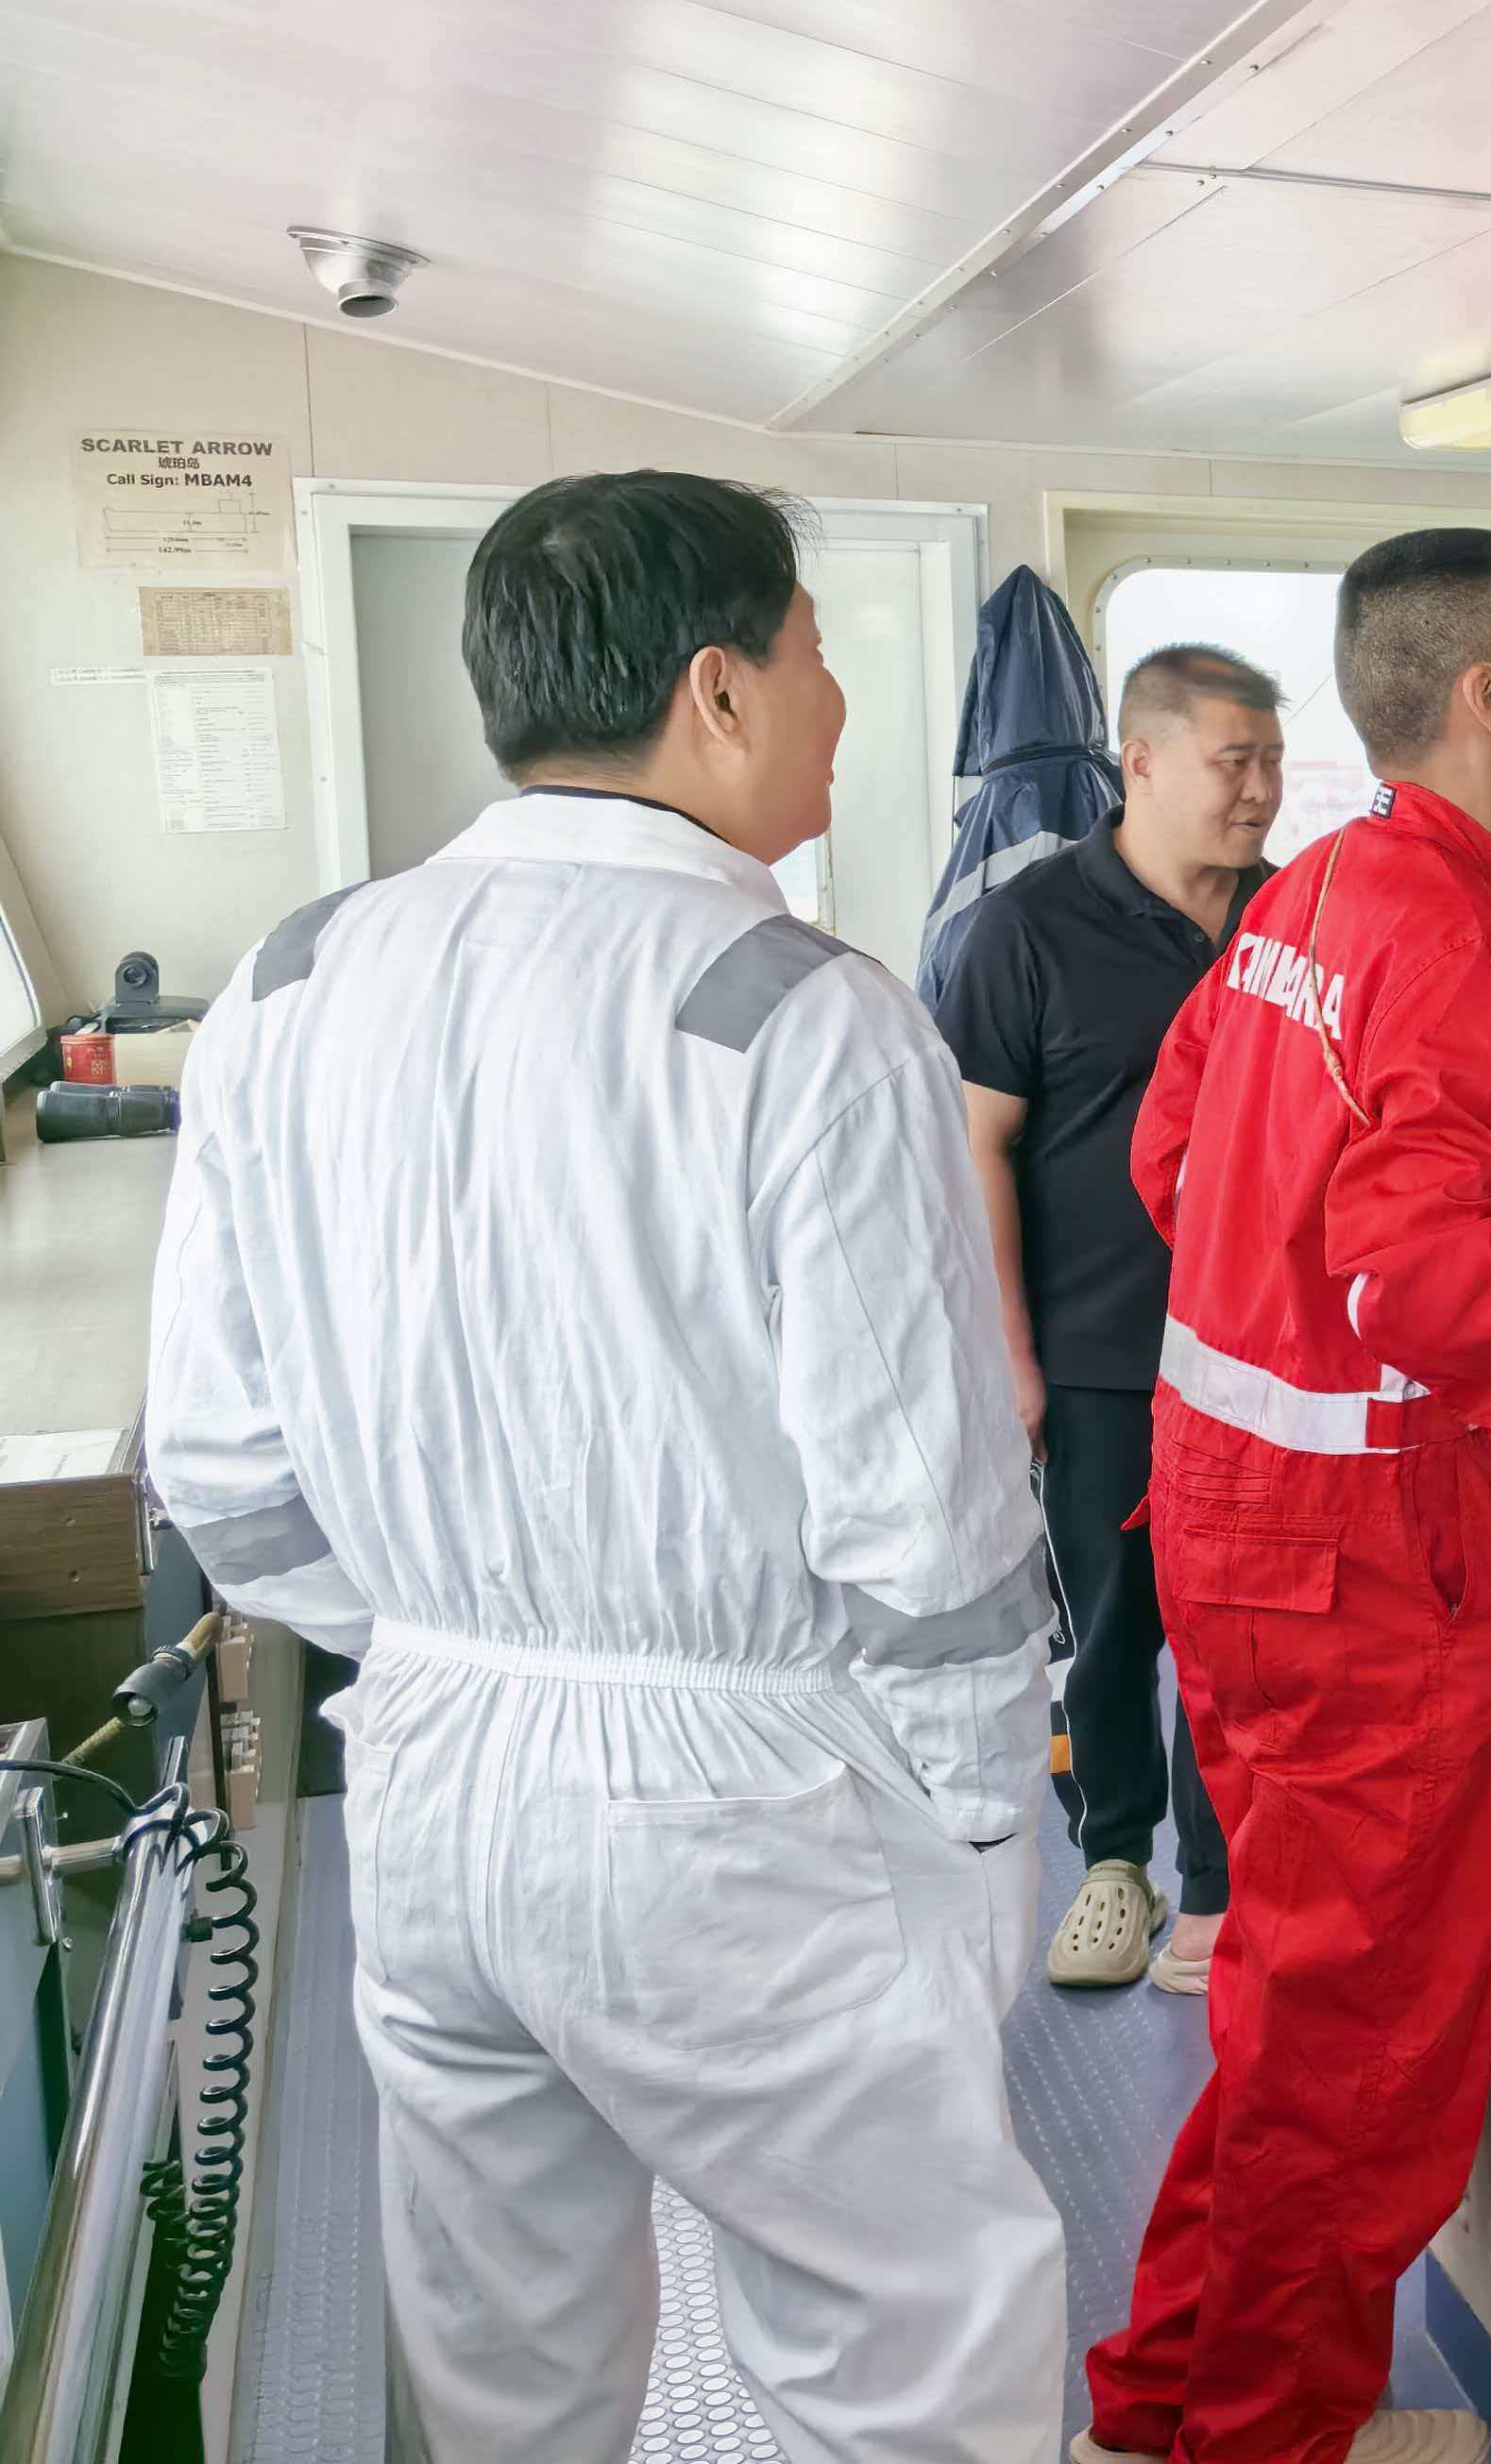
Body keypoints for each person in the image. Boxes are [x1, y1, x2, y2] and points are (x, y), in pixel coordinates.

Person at [146, 472, 1063, 2461]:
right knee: (905, 2350)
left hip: (424, 1766)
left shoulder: (289, 980)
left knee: (507, 2357)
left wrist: (449, 1629)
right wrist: (991, 1819)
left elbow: (220, 1468)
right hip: (748, 1795)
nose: (838, 704)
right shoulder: (809, 1014)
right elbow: (923, 1522)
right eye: (815, 655)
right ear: (717, 691)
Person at [1081, 529, 1491, 2464]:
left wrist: (1285, 1300)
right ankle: (1267, 2440)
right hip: (1368, 1571)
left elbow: (1169, 1153)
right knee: (1359, 2059)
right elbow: (1431, 1295)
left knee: (1281, 2016)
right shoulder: (1448, 930)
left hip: (1224, 1524)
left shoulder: (1307, 889)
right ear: (1486, 694)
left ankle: (1159, 2405)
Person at [939, 643, 1283, 1993]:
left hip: (1261, 1361)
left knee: (1233, 1639)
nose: (1260, 791)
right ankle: (1115, 1861)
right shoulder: (1026, 927)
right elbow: (979, 1147)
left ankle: (1217, 1890)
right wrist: (1011, 1356)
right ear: (1140, 761)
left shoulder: (1290, 924)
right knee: (1109, 1628)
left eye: (1273, 762)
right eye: (1234, 761)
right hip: (1097, 1355)